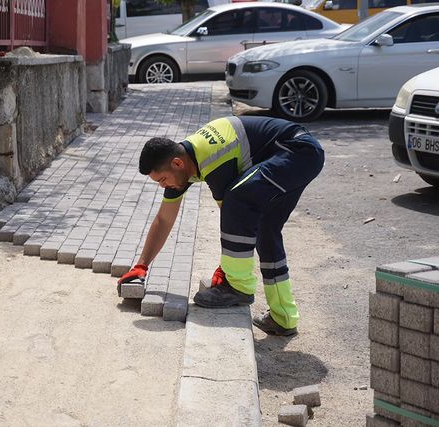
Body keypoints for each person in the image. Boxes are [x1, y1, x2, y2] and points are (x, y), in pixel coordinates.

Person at [117, 116, 325, 336]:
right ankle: (284, 318)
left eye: (162, 180)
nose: (163, 186)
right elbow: (164, 219)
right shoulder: (183, 162)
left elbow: (234, 219)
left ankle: (238, 287)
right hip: (295, 157)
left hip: (297, 152)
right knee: (267, 230)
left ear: (177, 163)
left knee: (237, 200)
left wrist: (228, 271)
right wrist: (141, 266)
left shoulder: (211, 158)